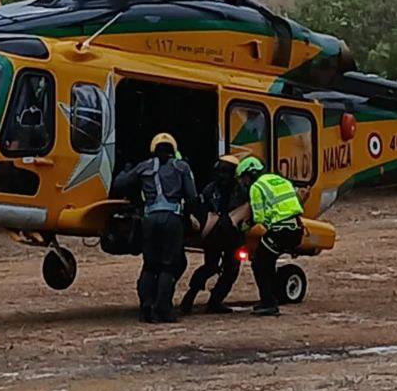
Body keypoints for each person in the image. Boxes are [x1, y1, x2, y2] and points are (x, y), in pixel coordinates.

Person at [112, 132, 198, 323]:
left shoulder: (144, 166)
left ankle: (146, 309)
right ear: (173, 149)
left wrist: (126, 169)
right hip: (172, 218)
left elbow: (120, 184)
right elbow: (192, 196)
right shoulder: (181, 166)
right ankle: (163, 310)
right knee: (169, 265)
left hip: (149, 219)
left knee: (150, 265)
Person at [180, 154, 250, 315]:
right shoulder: (216, 189)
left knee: (226, 268)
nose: (222, 176)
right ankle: (194, 297)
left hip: (227, 235)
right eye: (221, 172)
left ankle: (213, 300)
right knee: (215, 267)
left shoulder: (236, 189)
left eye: (226, 172)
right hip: (218, 234)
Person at [235, 156, 305, 316]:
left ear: (250, 173)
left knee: (259, 263)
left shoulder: (257, 187)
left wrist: (245, 226)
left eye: (244, 178)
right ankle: (273, 297)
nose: (244, 183)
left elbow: (260, 219)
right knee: (268, 261)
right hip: (296, 228)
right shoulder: (280, 180)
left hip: (280, 230)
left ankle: (269, 303)